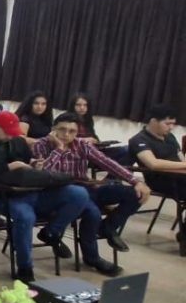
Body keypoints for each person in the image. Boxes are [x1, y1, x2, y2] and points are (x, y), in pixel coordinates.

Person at [0, 111, 88, 282]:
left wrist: (34, 164)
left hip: (30, 189)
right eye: (6, 133)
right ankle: (25, 267)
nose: (10, 137)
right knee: (25, 217)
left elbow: (26, 162)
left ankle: (51, 232)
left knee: (78, 194)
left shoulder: (17, 142)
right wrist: (7, 167)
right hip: (2, 195)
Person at [35, 113, 147, 268]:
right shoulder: (41, 144)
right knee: (92, 213)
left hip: (86, 188)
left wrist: (135, 181)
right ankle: (92, 258)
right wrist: (59, 149)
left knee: (135, 193)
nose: (66, 135)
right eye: (62, 129)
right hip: (61, 193)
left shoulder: (81, 145)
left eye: (72, 131)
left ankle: (107, 228)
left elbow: (108, 163)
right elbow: (44, 173)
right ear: (53, 129)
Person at [128, 104, 186, 256]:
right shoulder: (138, 140)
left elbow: (181, 158)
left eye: (173, 124)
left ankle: (184, 233)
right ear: (153, 121)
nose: (171, 127)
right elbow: (153, 164)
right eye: (167, 123)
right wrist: (183, 165)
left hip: (180, 178)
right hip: (161, 180)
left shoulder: (170, 138)